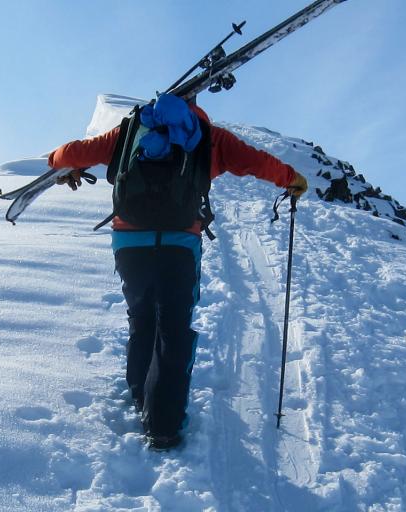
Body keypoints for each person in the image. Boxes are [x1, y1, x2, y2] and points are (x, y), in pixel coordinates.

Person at [49, 96, 308, 450]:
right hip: (179, 244)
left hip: (129, 242)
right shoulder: (209, 136)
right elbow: (256, 162)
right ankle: (163, 426)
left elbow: (71, 153)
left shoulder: (131, 130)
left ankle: (141, 397)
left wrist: (58, 162)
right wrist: (291, 178)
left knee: (141, 318)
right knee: (172, 326)